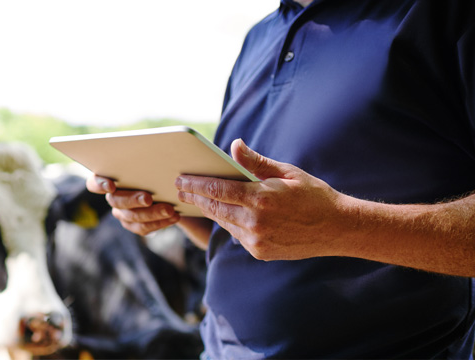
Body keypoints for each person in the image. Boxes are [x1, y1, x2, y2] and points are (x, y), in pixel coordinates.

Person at [87, 0, 475, 358]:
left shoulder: (443, 14)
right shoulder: (259, 36)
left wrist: (341, 225)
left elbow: (314, 228)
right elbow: (261, 236)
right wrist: (172, 206)